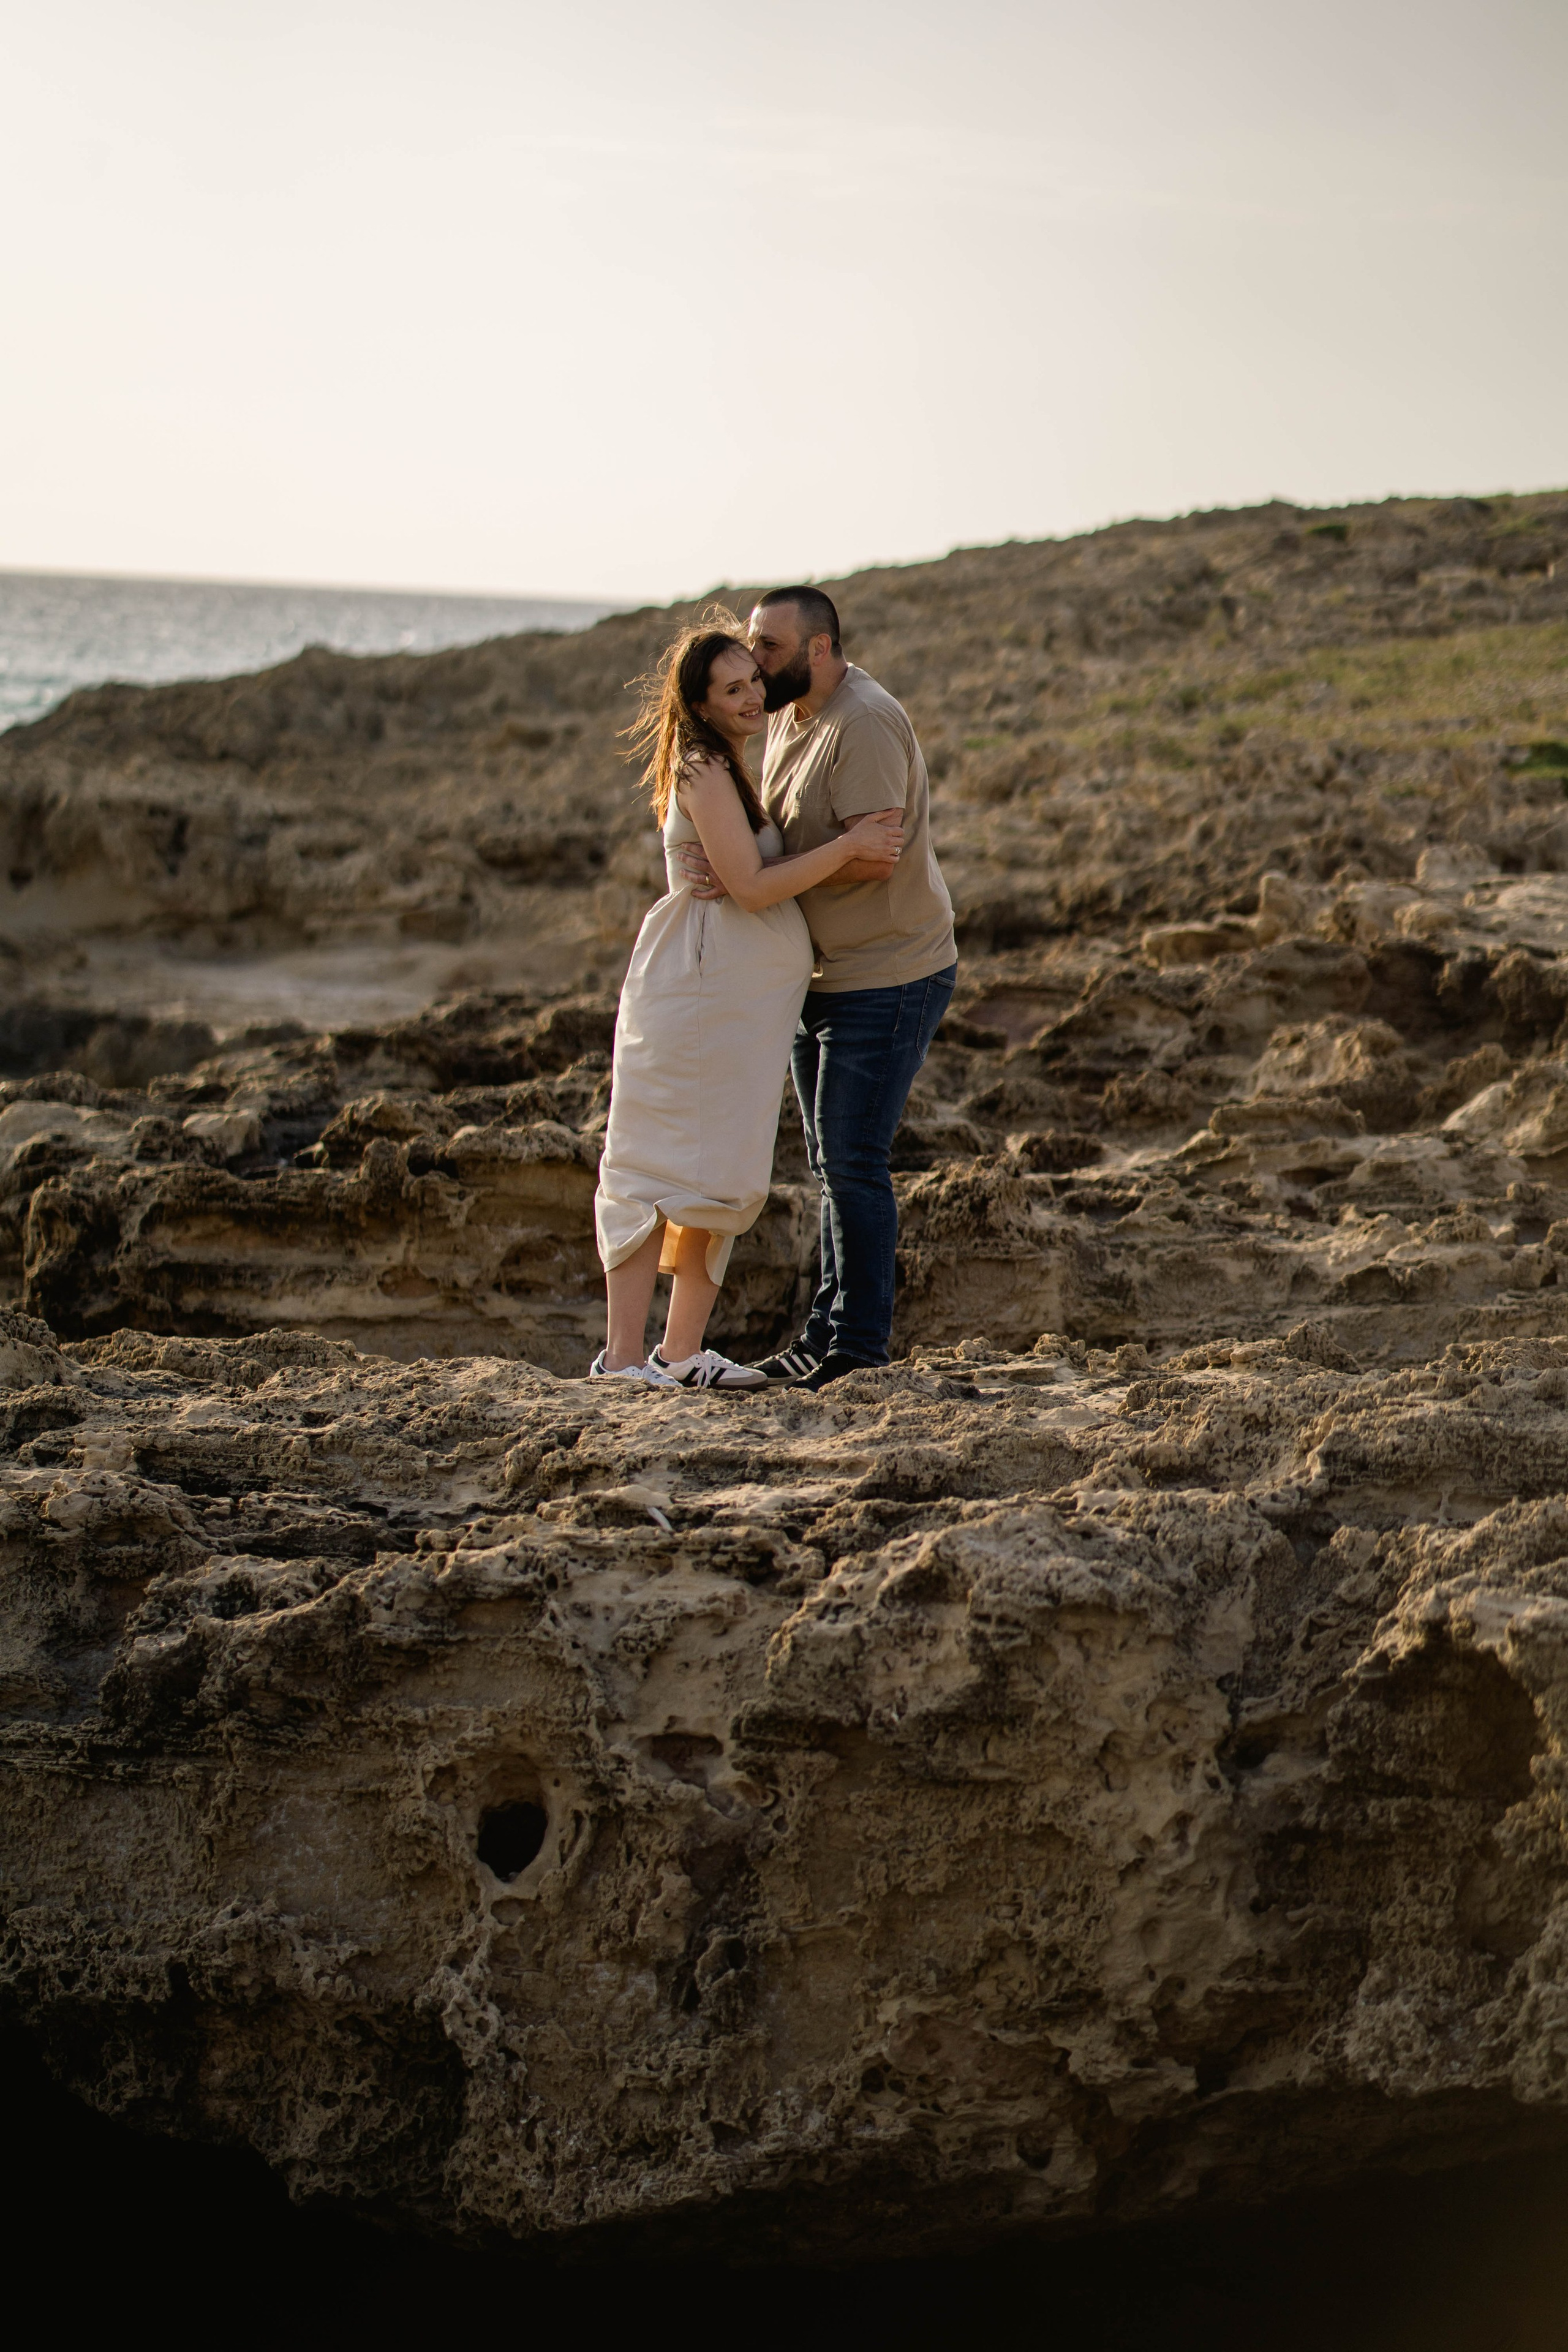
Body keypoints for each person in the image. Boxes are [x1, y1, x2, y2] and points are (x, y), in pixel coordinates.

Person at [590, 609, 904, 1388]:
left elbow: (743, 879)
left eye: (754, 682)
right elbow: (752, 886)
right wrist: (849, 847)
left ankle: (681, 1354)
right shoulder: (701, 767)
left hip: (731, 1009)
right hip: (697, 1002)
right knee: (650, 1170)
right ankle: (629, 1360)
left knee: (716, 1176)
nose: (750, 698)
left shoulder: (730, 765)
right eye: (731, 689)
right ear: (698, 704)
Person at [680, 587, 957, 1391]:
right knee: (830, 1164)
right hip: (823, 974)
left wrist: (756, 881)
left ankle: (859, 1349)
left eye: (769, 647)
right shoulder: (792, 718)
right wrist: (741, 871)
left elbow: (874, 854)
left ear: (822, 648)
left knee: (853, 1161)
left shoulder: (863, 722)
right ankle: (827, 1334)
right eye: (750, 644)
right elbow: (805, 841)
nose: (754, 662)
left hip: (888, 973)